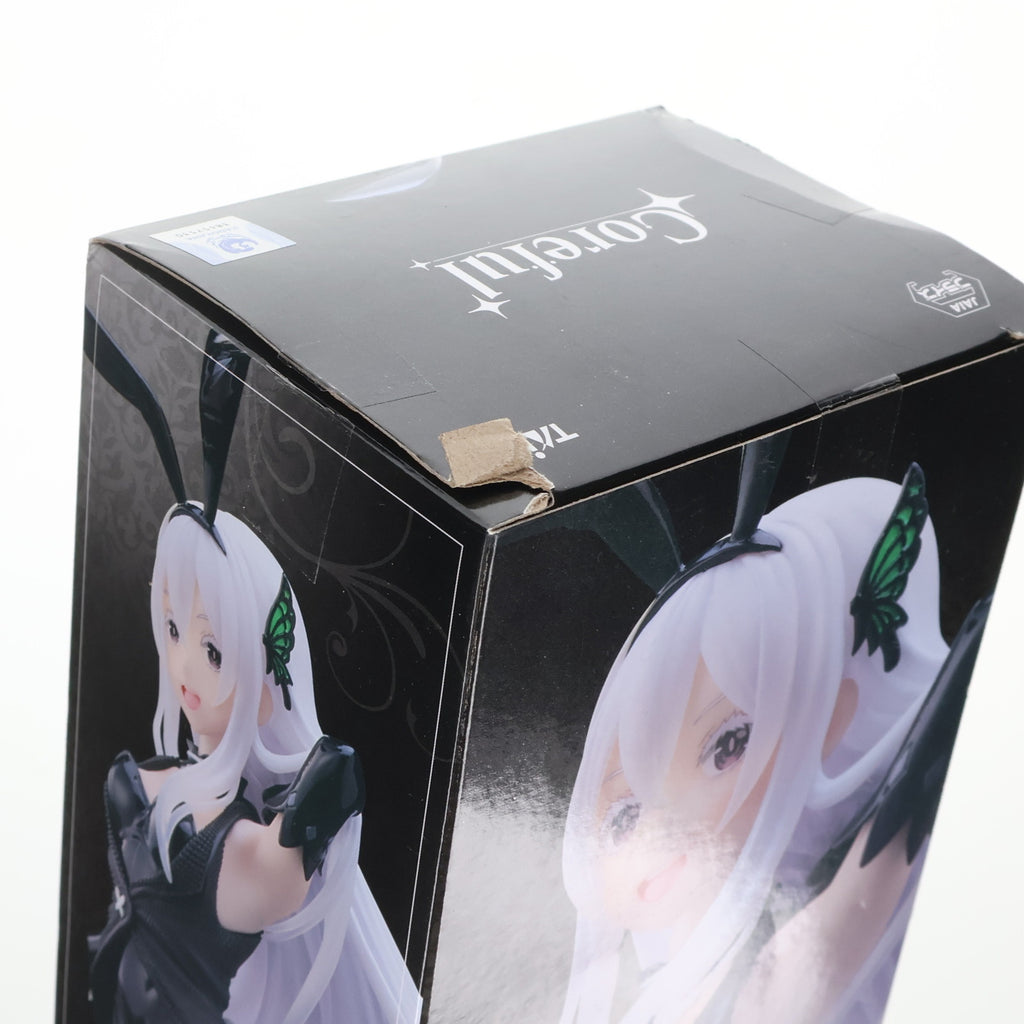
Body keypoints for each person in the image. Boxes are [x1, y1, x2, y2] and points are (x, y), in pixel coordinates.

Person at [85, 320, 421, 1024]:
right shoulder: (152, 787)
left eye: (213, 650)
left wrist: (315, 803)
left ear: (269, 683)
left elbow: (272, 877)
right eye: (173, 628)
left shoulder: (233, 848)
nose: (183, 664)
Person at [559, 447, 967, 1024]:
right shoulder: (643, 976)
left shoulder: (787, 950)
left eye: (730, 745)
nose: (662, 830)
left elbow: (830, 943)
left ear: (831, 719)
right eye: (623, 817)